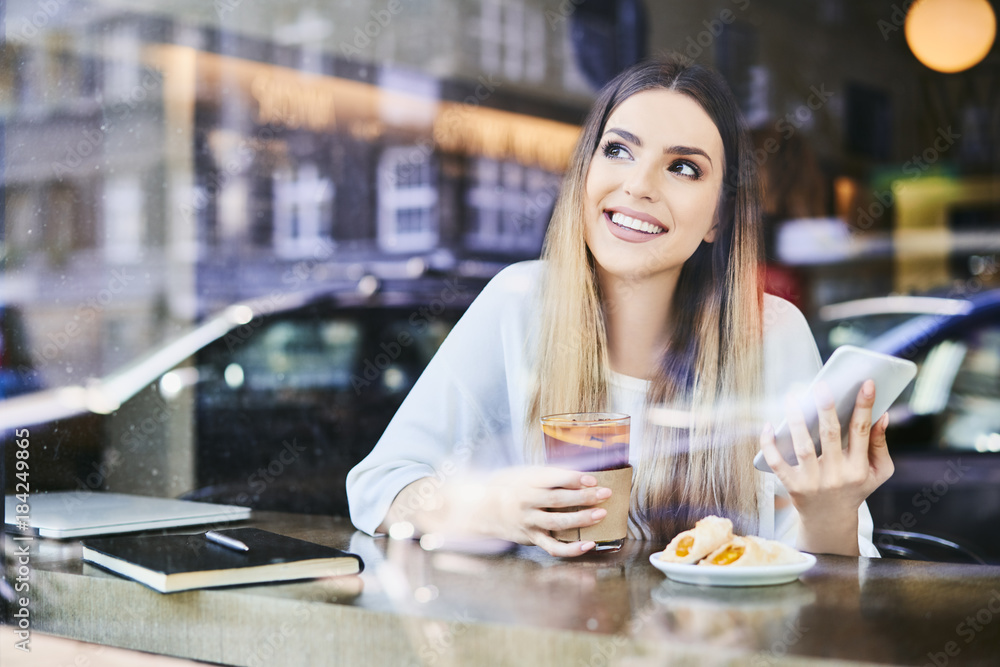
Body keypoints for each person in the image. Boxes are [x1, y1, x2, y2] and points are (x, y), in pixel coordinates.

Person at [347, 57, 892, 558]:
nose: (638, 185)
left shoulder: (771, 332)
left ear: (718, 220)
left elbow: (823, 587)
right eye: (618, 150)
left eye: (684, 168)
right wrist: (494, 507)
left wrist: (829, 511)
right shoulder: (518, 303)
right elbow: (377, 488)